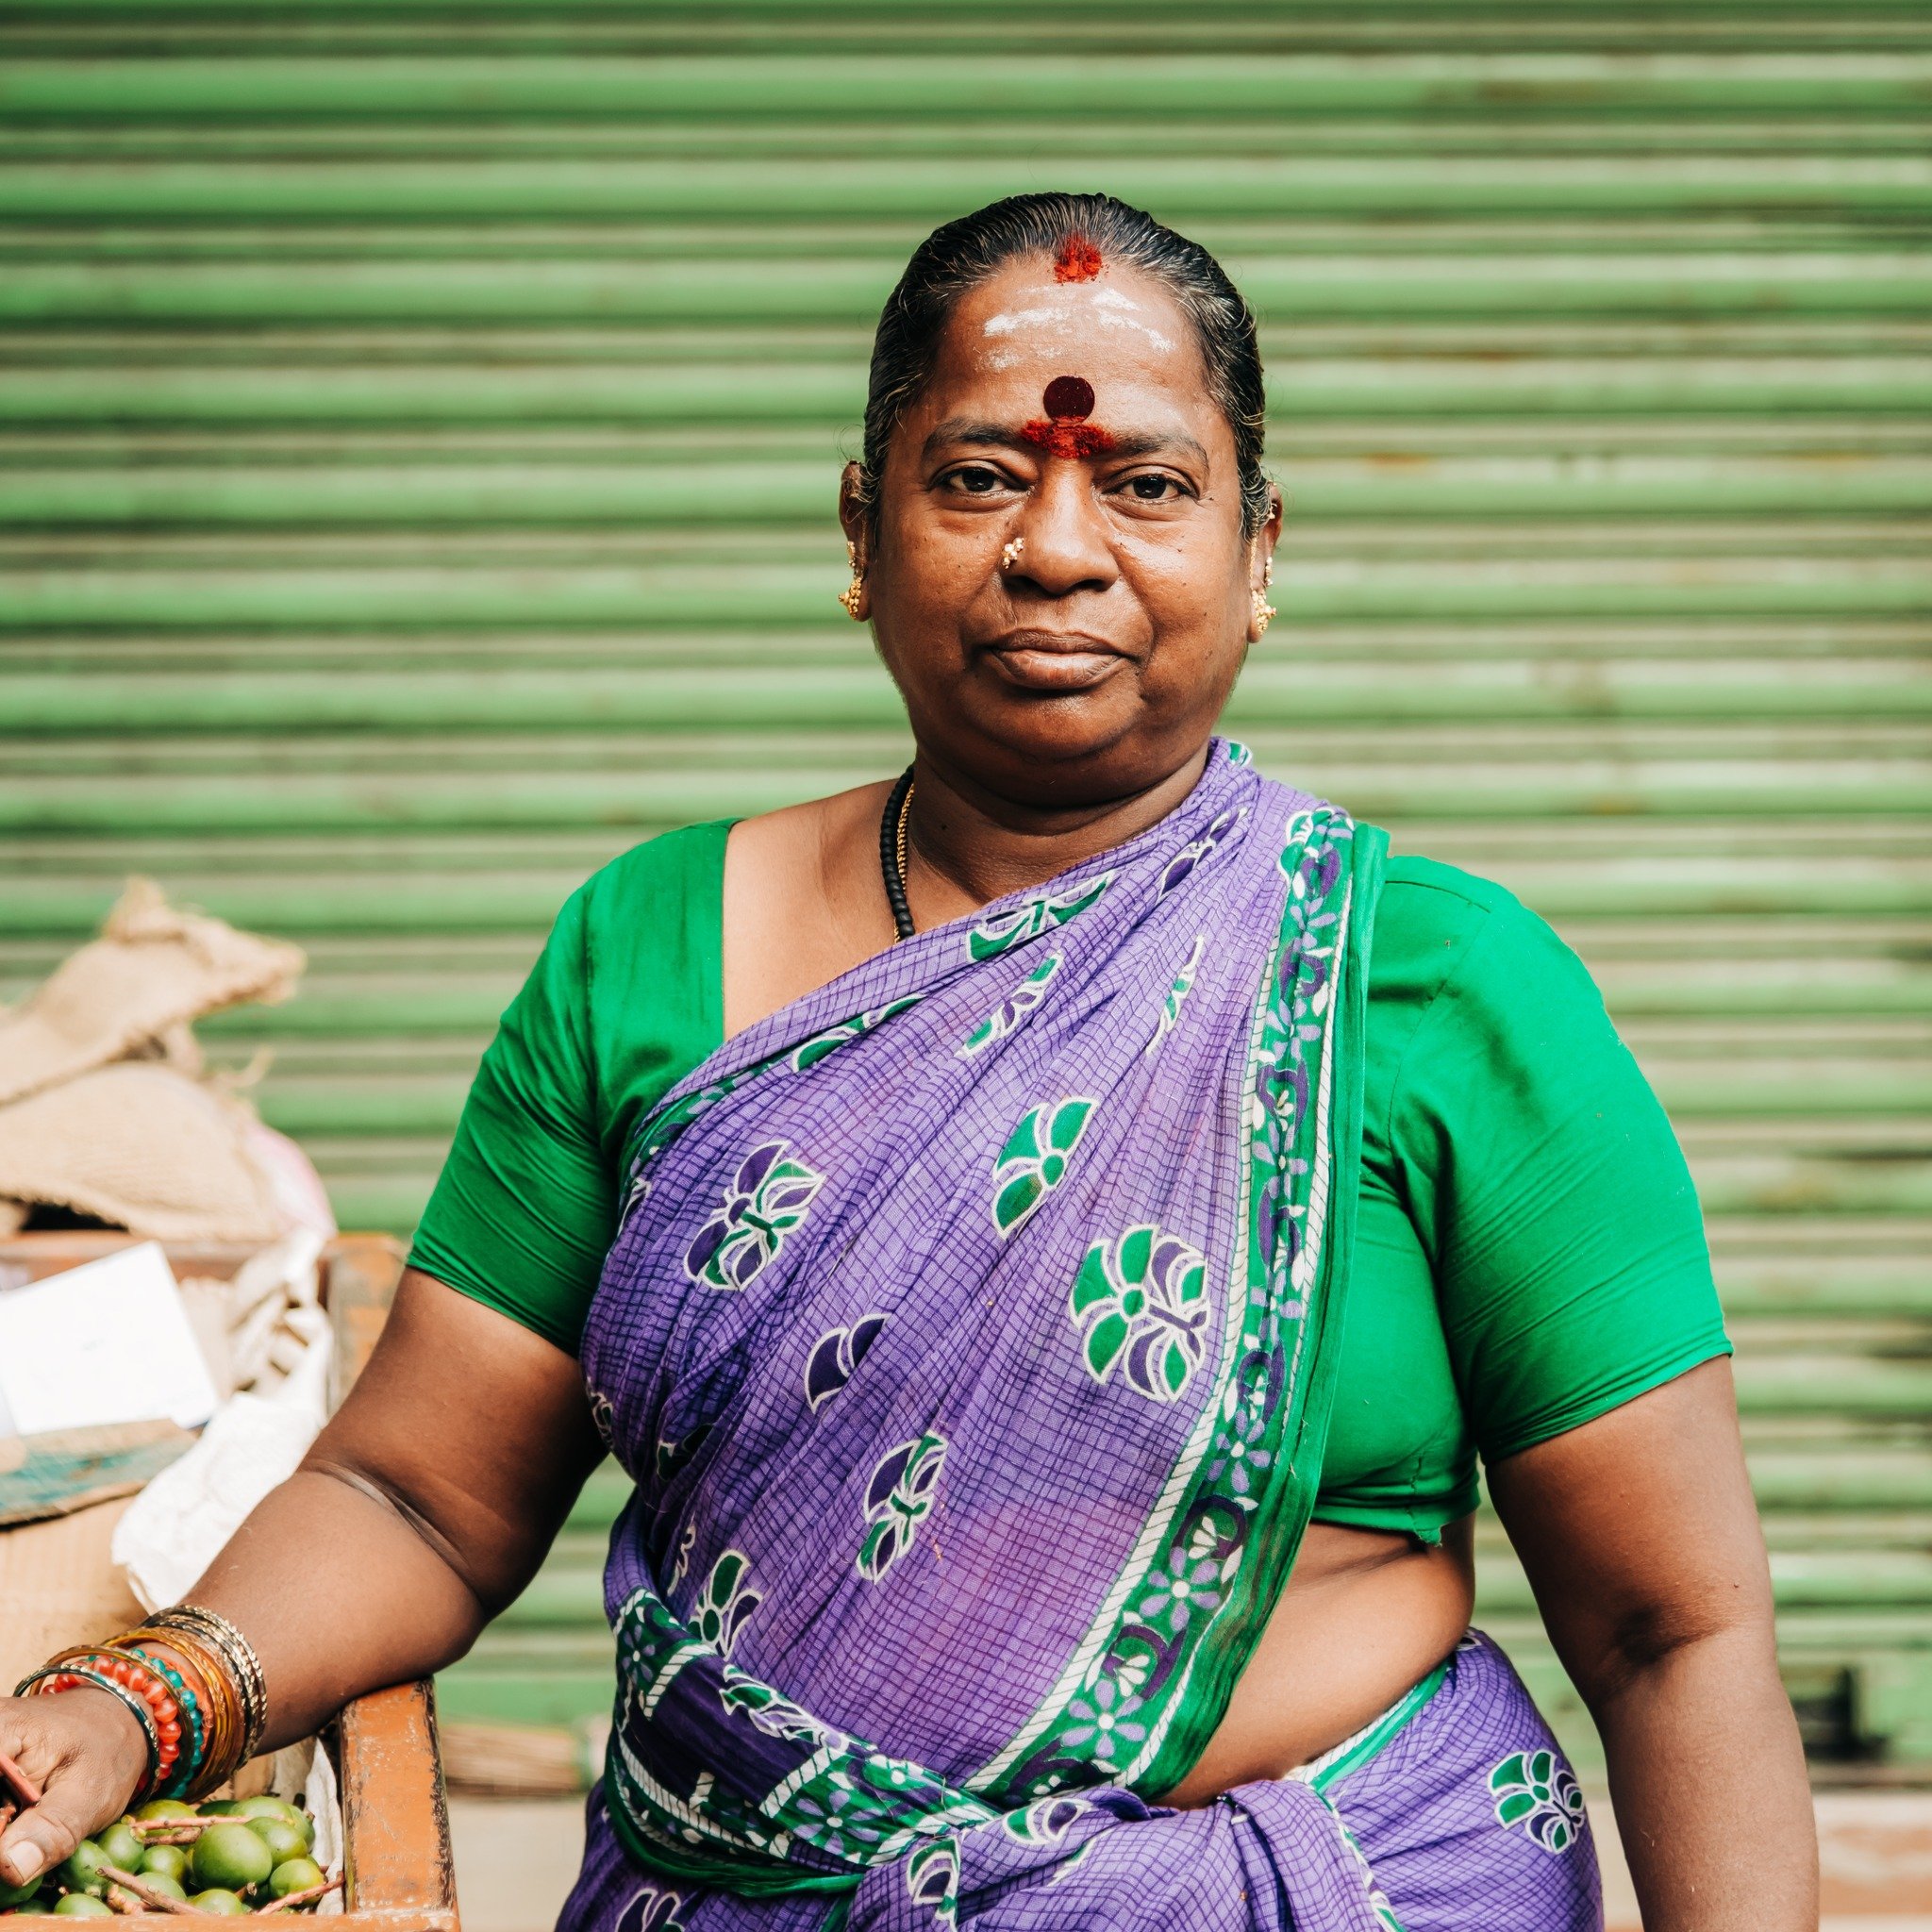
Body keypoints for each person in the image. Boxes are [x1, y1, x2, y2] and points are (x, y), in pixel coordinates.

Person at [0, 193, 1817, 1932]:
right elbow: (417, 1494)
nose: (1056, 546)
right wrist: (143, 1703)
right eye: (977, 477)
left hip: (1325, 1885)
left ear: (1260, 555)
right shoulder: (647, 954)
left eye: (1149, 485)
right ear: (861, 535)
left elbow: (1675, 1631)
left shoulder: (1439, 987)